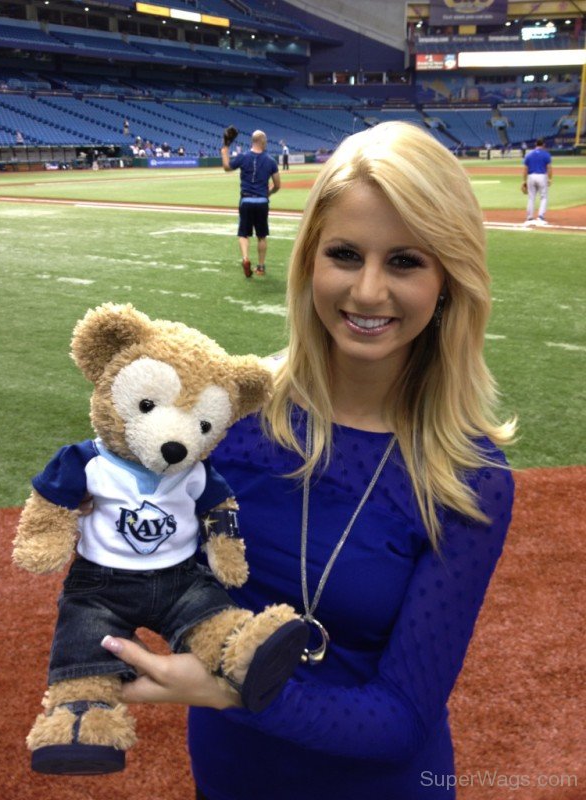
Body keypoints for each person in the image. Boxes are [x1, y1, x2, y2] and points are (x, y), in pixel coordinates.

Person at [101, 121, 516, 799]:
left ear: (449, 278)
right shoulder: (225, 414)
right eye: (346, 254)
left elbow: (401, 718)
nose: (368, 292)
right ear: (310, 262)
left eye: (406, 261)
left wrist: (233, 691)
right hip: (231, 776)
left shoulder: (469, 474)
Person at [220, 129, 280, 278]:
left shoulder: (243, 157)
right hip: (261, 201)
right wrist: (269, 193)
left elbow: (227, 167)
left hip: (246, 200)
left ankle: (246, 259)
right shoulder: (270, 160)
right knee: (261, 236)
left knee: (243, 234)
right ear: (263, 141)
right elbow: (277, 184)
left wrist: (225, 148)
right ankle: (260, 267)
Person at [522, 138, 552, 226]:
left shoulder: (529, 154)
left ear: (536, 144)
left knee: (531, 197)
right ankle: (541, 216)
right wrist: (550, 178)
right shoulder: (546, 154)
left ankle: (530, 217)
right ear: (543, 145)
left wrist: (524, 181)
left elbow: (525, 169)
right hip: (542, 176)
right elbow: (549, 168)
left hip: (531, 176)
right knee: (543, 197)